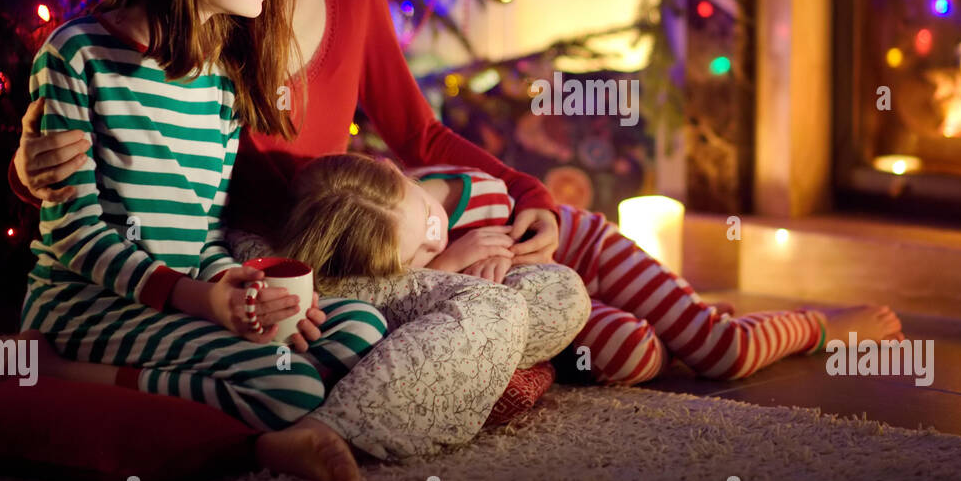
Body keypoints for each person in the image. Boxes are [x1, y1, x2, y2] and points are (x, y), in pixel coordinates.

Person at [20, 0, 390, 481]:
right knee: (289, 381)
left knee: (360, 327)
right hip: (84, 304)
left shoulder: (218, 75)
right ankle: (67, 375)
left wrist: (231, 281)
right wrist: (200, 302)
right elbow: (76, 236)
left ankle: (250, 400)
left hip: (188, 295)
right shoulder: (77, 55)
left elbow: (201, 229)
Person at [277, 154, 907, 386]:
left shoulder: (472, 196)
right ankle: (684, 319)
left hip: (589, 254)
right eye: (420, 251)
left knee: (721, 354)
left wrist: (449, 257)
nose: (437, 237)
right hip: (561, 304)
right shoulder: (401, 263)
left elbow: (524, 249)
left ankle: (816, 327)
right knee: (635, 355)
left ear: (399, 176)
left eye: (430, 219)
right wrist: (443, 268)